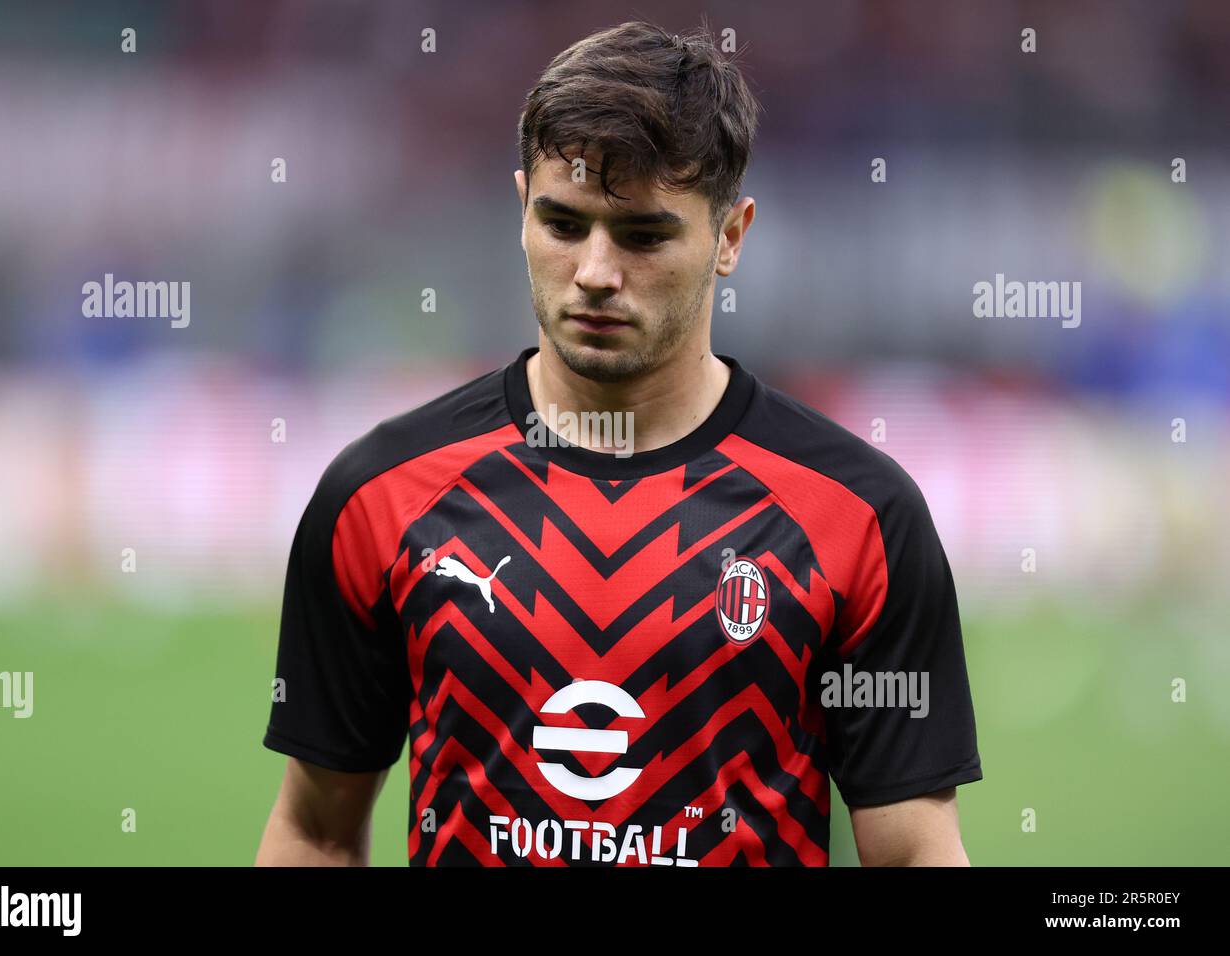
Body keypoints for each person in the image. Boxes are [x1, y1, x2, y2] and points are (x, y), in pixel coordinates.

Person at [256, 19, 980, 867]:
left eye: (643, 236)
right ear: (520, 208)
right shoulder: (380, 496)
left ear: (731, 237)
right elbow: (315, 829)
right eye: (563, 226)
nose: (596, 271)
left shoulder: (860, 519)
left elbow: (914, 856)